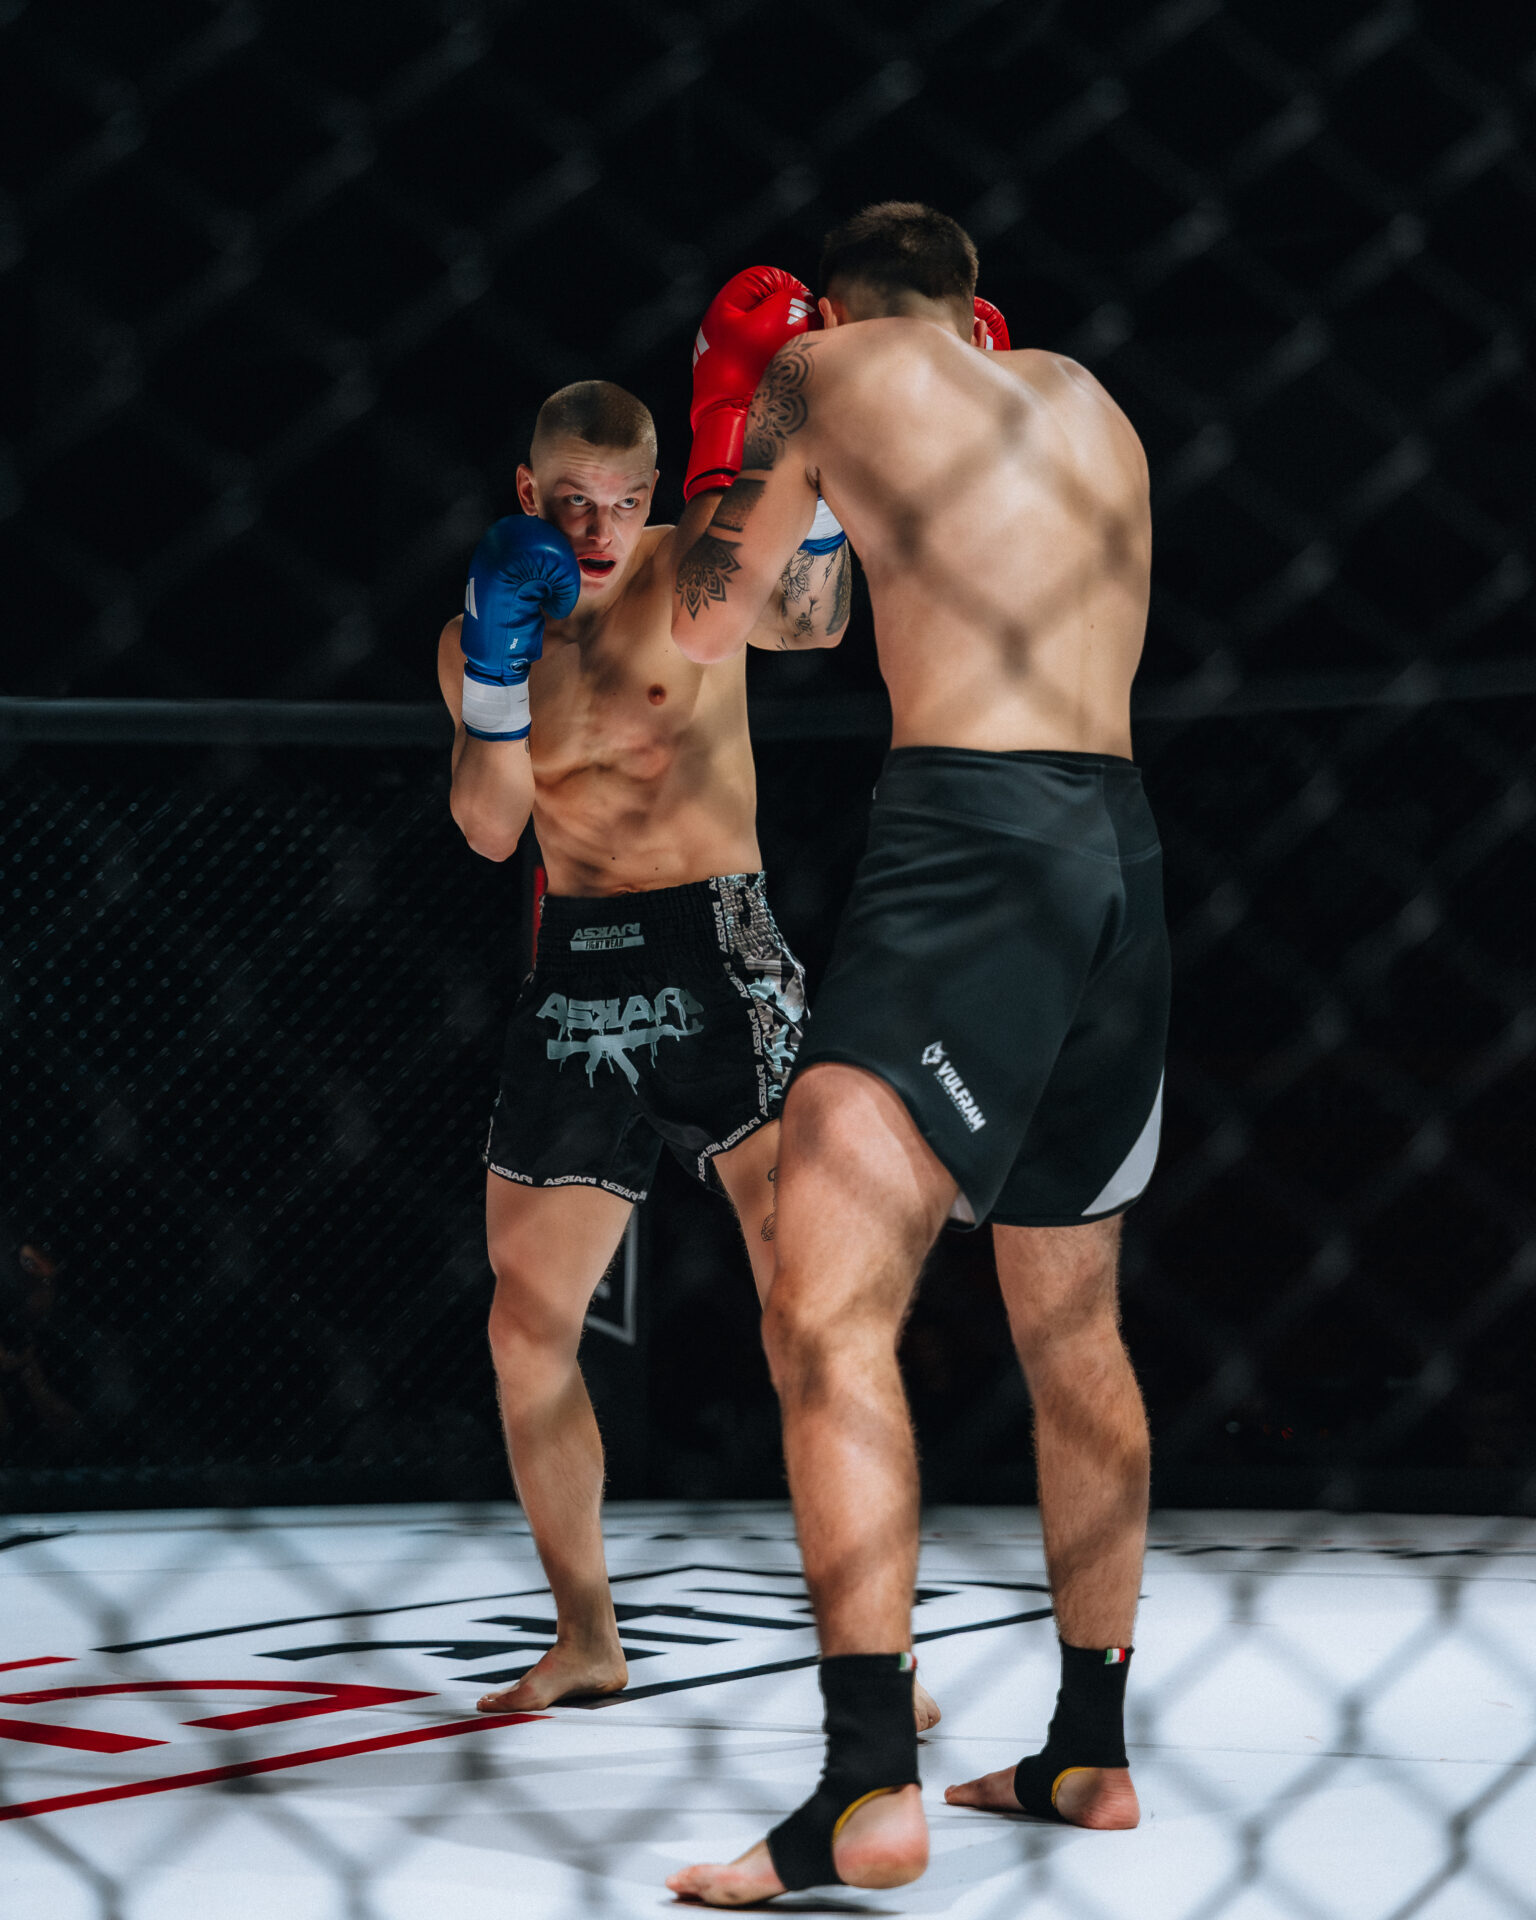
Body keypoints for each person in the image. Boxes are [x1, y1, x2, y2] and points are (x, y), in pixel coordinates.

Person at [665, 202, 1167, 1903]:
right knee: (1073, 1325)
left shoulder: (820, 370)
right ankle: (1089, 1747)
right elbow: (824, 610)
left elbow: (723, 619)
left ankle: (868, 1783)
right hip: (1121, 856)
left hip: (971, 845)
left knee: (823, 1306)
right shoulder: (1087, 399)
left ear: (837, 307)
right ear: (976, 308)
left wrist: (730, 425)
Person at [438, 324, 937, 1732]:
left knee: (814, 1306)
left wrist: (802, 478)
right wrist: (496, 669)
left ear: (656, 491)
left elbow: (815, 622)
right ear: (527, 496)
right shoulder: (482, 627)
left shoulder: (696, 571)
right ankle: (588, 1638)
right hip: (575, 974)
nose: (600, 532)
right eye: (572, 504)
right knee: (525, 1327)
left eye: (623, 500)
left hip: (718, 953)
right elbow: (488, 829)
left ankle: (882, 1655)